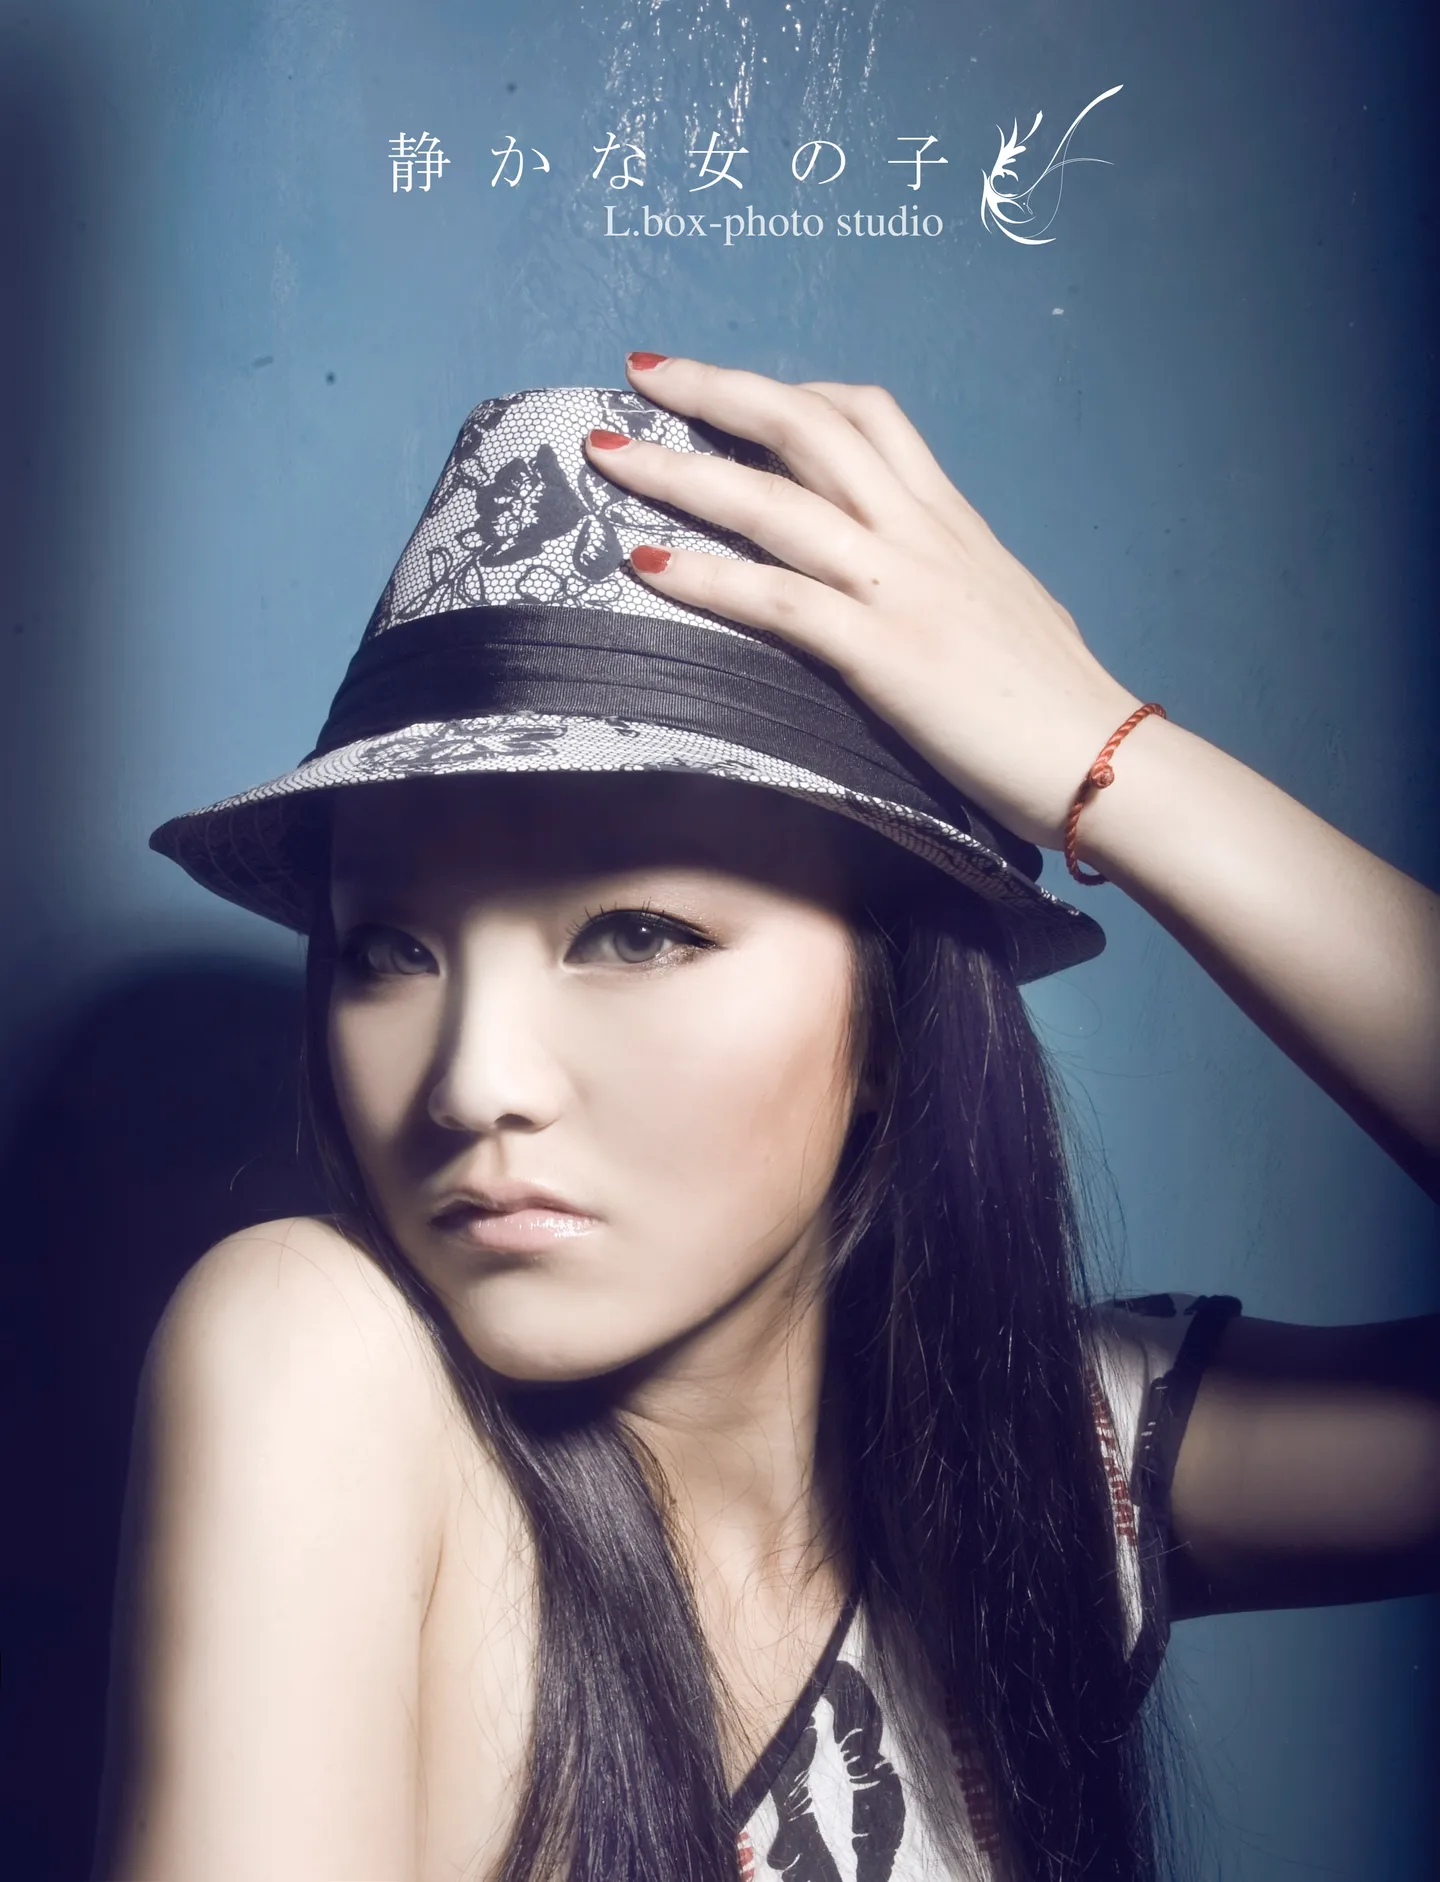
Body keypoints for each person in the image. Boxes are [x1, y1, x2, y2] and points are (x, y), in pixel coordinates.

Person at [96, 359, 1440, 1882]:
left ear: (891, 1017)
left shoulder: (1055, 1473)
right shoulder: (317, 1359)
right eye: (389, 951)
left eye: (637, 932)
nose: (473, 1082)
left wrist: (1107, 757)